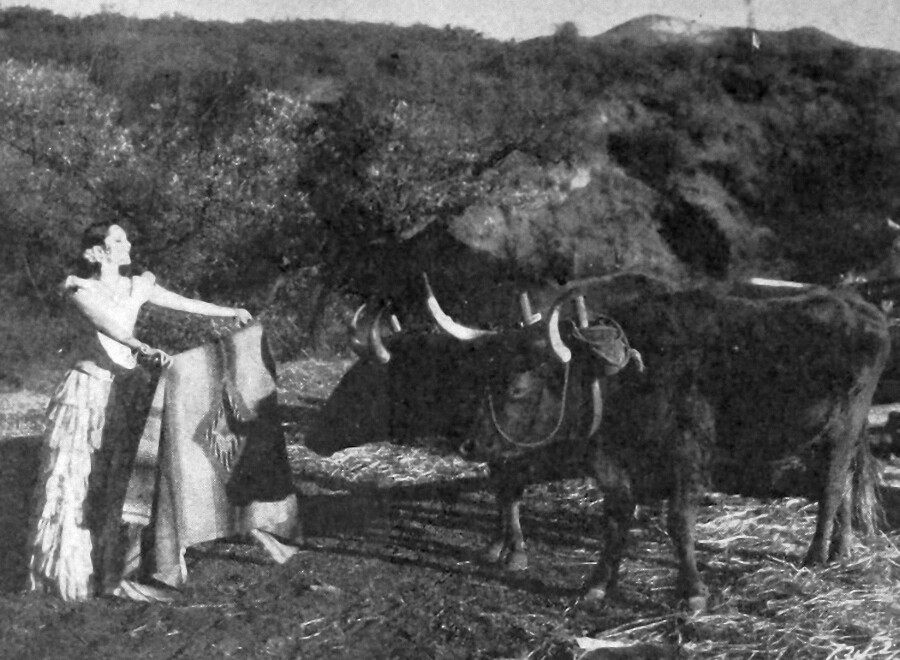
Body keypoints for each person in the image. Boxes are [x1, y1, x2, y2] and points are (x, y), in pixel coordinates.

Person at [27, 223, 258, 601]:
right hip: (87, 393)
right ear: (96, 252)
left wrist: (229, 312)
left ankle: (116, 570)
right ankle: (71, 576)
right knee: (78, 478)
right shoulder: (79, 289)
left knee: (121, 478)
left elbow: (183, 304)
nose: (128, 244)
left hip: (125, 390)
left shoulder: (137, 285)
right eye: (118, 240)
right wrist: (141, 347)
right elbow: (106, 325)